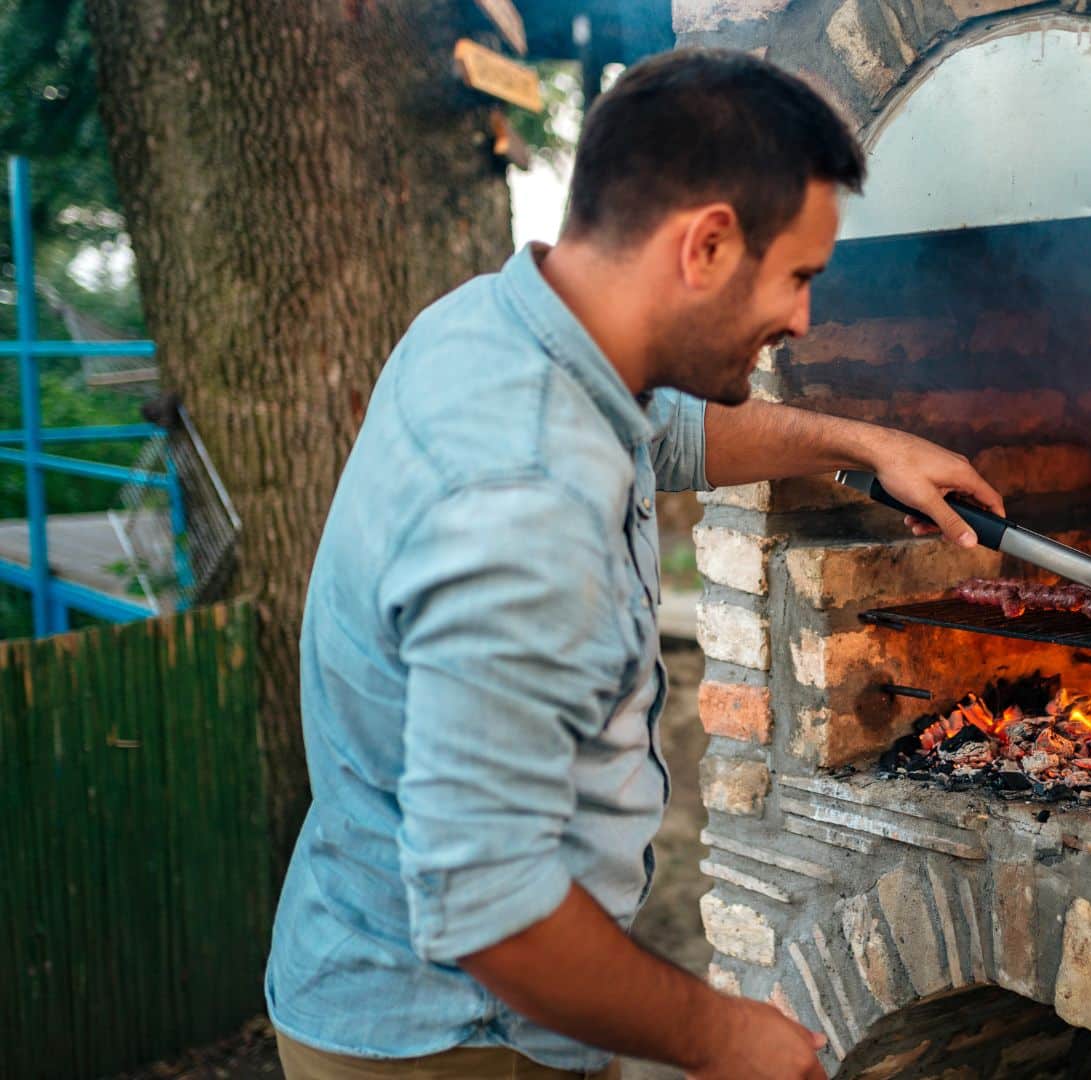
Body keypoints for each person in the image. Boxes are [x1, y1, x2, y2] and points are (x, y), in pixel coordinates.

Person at [265, 49, 1003, 1080]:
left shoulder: (495, 330)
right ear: (704, 245)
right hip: (457, 1038)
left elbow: (667, 433)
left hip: (474, 1005)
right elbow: (490, 906)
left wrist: (867, 446)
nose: (802, 318)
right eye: (796, 277)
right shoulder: (520, 504)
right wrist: (722, 1036)